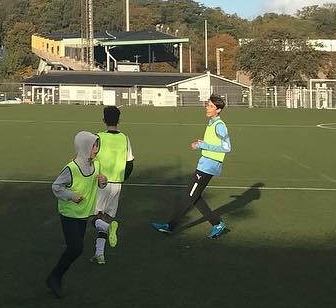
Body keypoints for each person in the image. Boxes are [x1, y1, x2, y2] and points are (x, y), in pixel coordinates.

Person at [151, 94, 232, 238]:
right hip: (205, 164)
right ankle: (217, 224)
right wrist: (202, 144)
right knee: (194, 196)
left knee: (189, 196)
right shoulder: (212, 123)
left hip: (209, 166)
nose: (207, 107)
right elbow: (213, 143)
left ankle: (170, 226)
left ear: (218, 110)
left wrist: (202, 145)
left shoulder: (219, 125)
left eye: (211, 106)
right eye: (207, 104)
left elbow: (227, 147)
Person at [47, 130, 106, 297]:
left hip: (82, 214)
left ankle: (54, 277)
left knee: (76, 249)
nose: (96, 148)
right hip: (69, 214)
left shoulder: (96, 164)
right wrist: (72, 196)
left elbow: (99, 184)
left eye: (97, 144)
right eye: (94, 145)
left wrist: (103, 181)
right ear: (84, 146)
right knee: (76, 247)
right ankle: (54, 278)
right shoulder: (71, 169)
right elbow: (56, 187)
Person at [91, 105, 134, 264]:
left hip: (100, 183)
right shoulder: (125, 138)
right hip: (117, 184)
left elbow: (89, 159)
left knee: (94, 216)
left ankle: (110, 229)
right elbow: (130, 163)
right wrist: (123, 177)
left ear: (103, 120)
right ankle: (99, 254)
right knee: (106, 217)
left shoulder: (98, 138)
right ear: (119, 120)